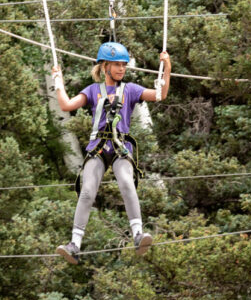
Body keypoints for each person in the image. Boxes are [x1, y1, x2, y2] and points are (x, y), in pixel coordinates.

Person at [51, 42, 171, 264]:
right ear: (104, 66)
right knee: (87, 191)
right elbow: (67, 105)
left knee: (126, 182)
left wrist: (167, 67)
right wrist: (58, 81)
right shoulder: (93, 90)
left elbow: (160, 95)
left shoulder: (131, 89)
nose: (121, 69)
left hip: (120, 146)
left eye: (123, 65)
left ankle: (138, 234)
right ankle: (74, 244)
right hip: (97, 148)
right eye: (116, 65)